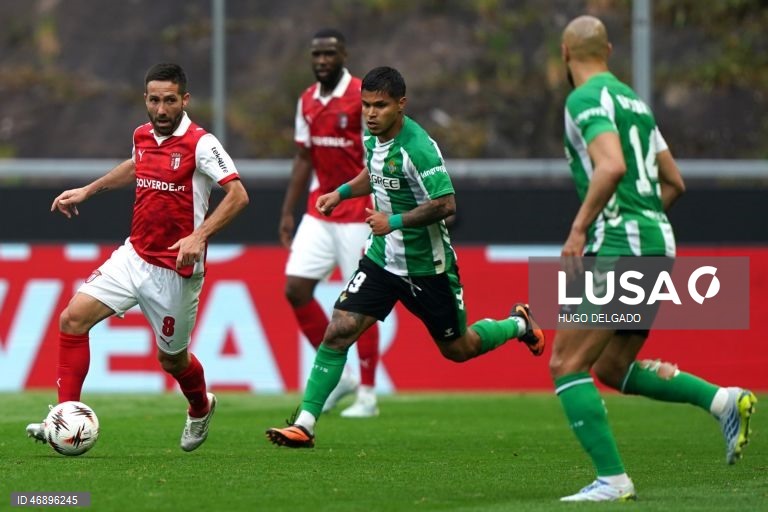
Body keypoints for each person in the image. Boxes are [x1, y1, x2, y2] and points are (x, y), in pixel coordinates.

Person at [266, 66, 545, 448]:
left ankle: (518, 324)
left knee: (458, 349)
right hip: (382, 261)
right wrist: (341, 193)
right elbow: (374, 173)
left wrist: (393, 220)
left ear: (401, 105)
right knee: (338, 331)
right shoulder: (372, 137)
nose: (370, 113)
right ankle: (305, 423)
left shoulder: (419, 147)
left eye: (379, 106)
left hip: (428, 268)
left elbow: (446, 203)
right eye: (365, 105)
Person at [551, 15, 757, 502]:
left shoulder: (584, 99)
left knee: (566, 361)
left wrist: (580, 230)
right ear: (610, 50)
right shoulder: (635, 104)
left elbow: (612, 165)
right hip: (655, 241)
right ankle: (721, 400)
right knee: (612, 367)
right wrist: (644, 229)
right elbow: (674, 182)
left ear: (565, 53)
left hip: (621, 244)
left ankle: (613, 480)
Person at [25, 63, 249, 452]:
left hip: (175, 271)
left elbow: (239, 195)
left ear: (185, 100)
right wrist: (88, 190)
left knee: (173, 361)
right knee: (72, 320)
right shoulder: (142, 136)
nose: (161, 110)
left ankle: (200, 405)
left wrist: (199, 235)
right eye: (154, 100)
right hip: (134, 256)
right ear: (146, 99)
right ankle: (64, 418)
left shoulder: (201, 144)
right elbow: (136, 165)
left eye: (170, 101)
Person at [279, 28, 381, 418]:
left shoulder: (361, 98)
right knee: (295, 289)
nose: (322, 60)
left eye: (329, 53)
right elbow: (304, 158)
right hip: (319, 211)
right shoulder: (307, 100)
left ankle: (368, 394)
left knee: (362, 300)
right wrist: (288, 211)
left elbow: (375, 156)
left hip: (358, 210)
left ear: (343, 54)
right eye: (316, 54)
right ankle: (343, 378)